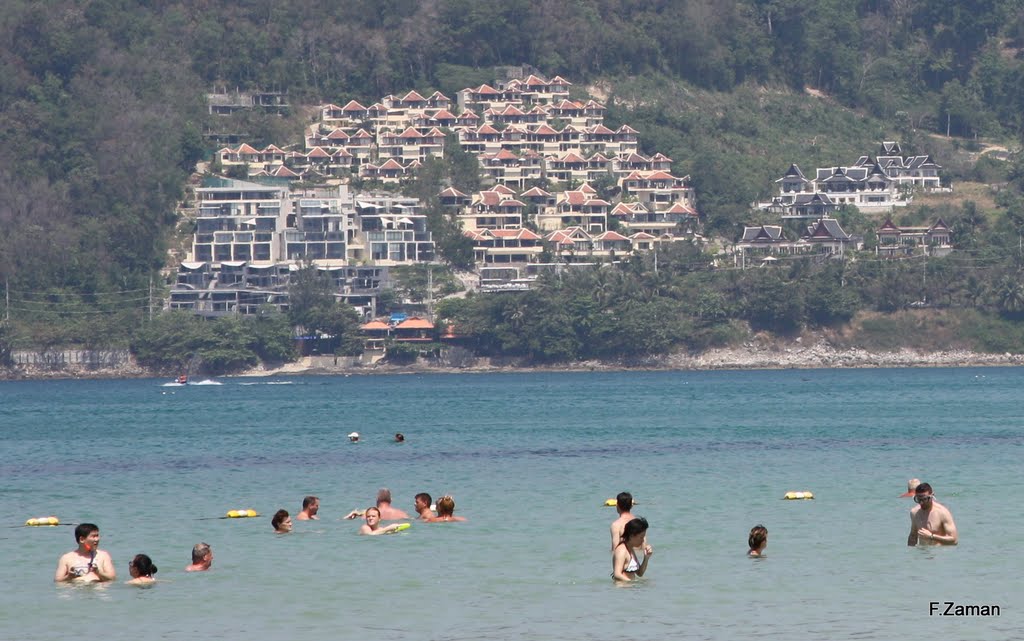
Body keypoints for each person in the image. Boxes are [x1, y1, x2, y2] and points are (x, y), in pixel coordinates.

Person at [612, 517, 652, 582]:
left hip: (630, 589)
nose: (643, 540)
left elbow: (640, 573)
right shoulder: (622, 550)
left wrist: (646, 558)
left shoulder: (630, 549)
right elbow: (617, 574)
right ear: (631, 536)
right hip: (622, 589)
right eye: (641, 537)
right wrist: (632, 584)